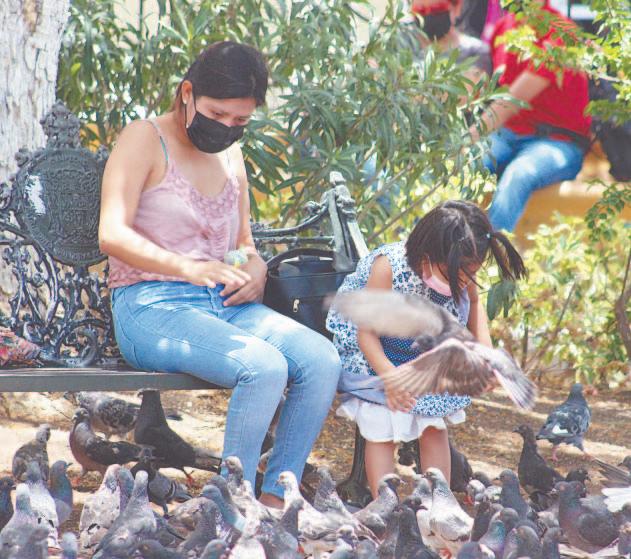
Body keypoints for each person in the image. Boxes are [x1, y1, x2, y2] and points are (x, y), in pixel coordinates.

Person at [98, 41, 341, 508]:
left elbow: (243, 243)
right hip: (151, 305)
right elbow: (112, 233)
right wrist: (187, 267)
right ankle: (231, 506)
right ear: (187, 92)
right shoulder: (145, 139)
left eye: (240, 120)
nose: (227, 127)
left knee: (321, 360)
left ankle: (276, 503)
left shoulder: (231, 155)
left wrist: (256, 269)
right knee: (263, 367)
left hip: (225, 305)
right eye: (217, 114)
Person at [326, 200, 526, 496]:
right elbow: (365, 333)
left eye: (469, 275)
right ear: (426, 257)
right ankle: (384, 503)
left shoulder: (462, 267)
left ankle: (439, 500)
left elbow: (474, 303)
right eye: (454, 275)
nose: (463, 282)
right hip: (374, 353)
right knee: (381, 425)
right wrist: (390, 378)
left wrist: (486, 353)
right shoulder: (388, 268)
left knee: (433, 426)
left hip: (424, 353)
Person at [471, 0, 592, 232]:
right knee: (467, 164)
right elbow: (492, 90)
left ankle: (491, 251)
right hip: (508, 134)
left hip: (558, 142)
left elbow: (511, 101)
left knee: (519, 175)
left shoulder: (562, 32)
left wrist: (465, 139)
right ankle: (429, 245)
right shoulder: (503, 28)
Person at [409, 0, 493, 79]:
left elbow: (472, 86)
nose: (428, 14)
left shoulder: (474, 52)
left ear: (457, 7)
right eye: (420, 11)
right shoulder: (403, 45)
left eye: (436, 9)